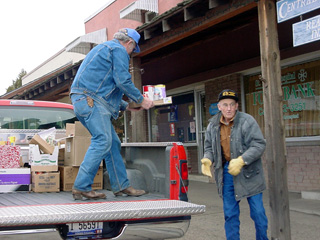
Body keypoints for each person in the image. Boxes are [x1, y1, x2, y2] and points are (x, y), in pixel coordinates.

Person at [70, 28, 154, 200]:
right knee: (103, 140)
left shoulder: (105, 48)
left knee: (112, 143)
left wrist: (127, 106)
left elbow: (105, 88)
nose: (131, 54)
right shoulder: (118, 50)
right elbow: (122, 80)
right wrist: (141, 99)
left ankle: (121, 186)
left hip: (86, 100)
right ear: (129, 43)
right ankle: (81, 186)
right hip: (90, 100)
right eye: (133, 49)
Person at [201, 89, 268, 240]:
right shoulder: (212, 125)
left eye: (232, 104)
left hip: (250, 172)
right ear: (219, 106)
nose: (229, 108)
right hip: (227, 173)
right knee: (230, 214)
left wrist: (242, 160)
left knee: (258, 214)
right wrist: (207, 159)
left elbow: (259, 144)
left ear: (237, 106)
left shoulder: (247, 121)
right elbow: (209, 147)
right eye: (225, 105)